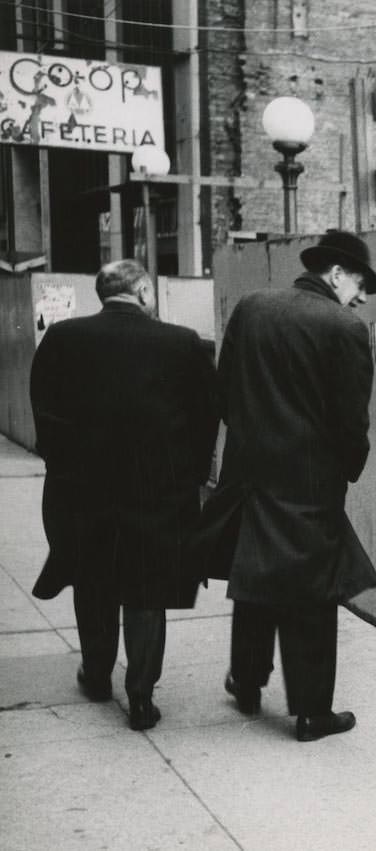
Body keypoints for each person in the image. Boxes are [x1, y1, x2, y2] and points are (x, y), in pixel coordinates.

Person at [194, 229, 376, 742]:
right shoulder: (344, 328)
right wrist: (348, 466)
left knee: (254, 579)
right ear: (337, 273)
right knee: (312, 595)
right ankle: (311, 712)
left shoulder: (251, 308)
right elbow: (350, 423)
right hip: (308, 482)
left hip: (249, 474)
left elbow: (226, 393)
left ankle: (248, 682)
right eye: (360, 284)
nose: (362, 297)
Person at [30, 259, 218, 731]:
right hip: (157, 491)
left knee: (92, 579)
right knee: (146, 589)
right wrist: (191, 476)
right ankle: (140, 696)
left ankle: (96, 674)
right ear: (144, 292)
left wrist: (64, 466)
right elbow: (206, 417)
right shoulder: (182, 344)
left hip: (82, 489)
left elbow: (44, 413)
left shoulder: (62, 338)